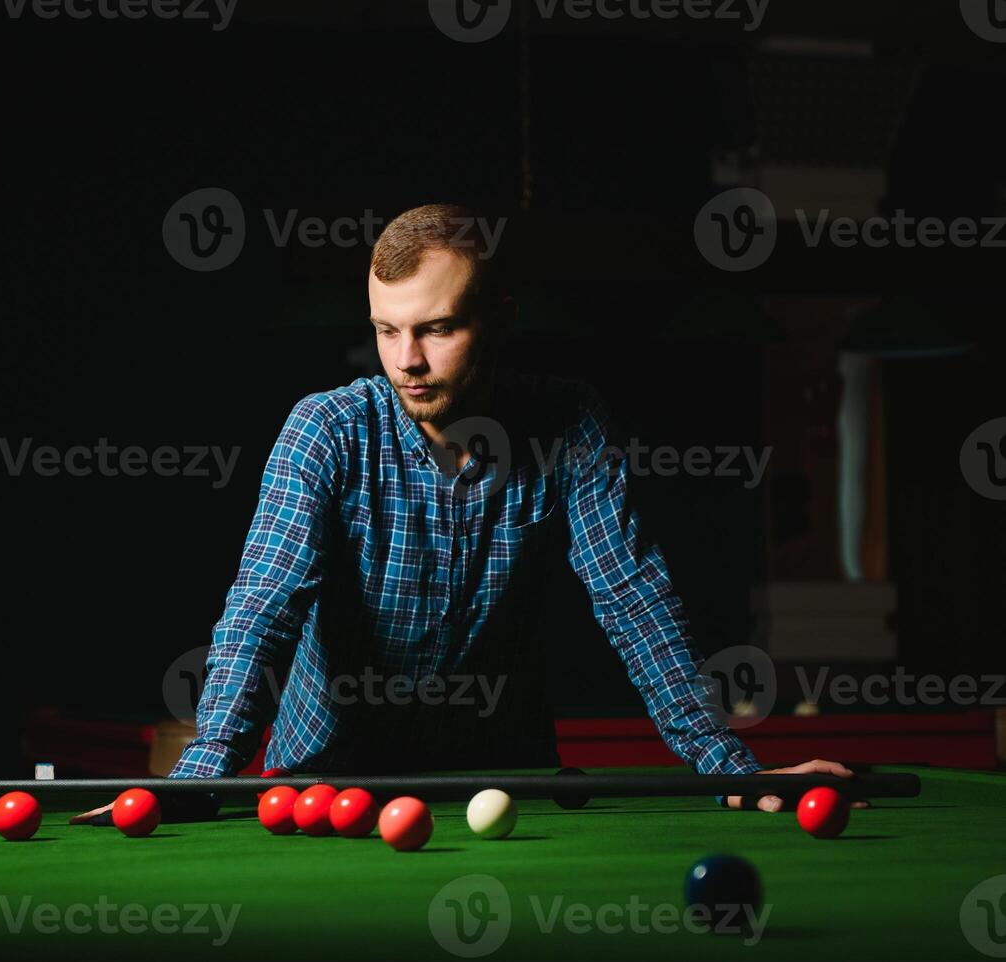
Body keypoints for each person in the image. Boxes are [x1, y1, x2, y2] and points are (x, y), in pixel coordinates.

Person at [75, 203, 858, 824]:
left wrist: (725, 764)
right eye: (387, 330)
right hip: (327, 788)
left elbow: (632, 598)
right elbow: (261, 610)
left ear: (501, 319)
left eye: (437, 328)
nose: (406, 359)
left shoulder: (570, 422)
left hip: (505, 785)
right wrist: (201, 775)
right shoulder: (326, 431)